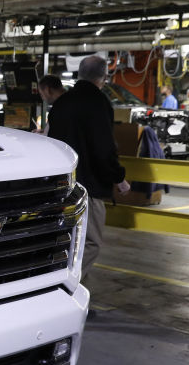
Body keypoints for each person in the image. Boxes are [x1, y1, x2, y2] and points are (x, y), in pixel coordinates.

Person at [47, 55, 130, 306]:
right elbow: (104, 148)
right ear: (103, 78)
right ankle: (62, 297)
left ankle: (78, 297)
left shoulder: (62, 103)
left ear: (79, 74)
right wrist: (119, 177)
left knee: (66, 243)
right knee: (90, 243)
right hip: (88, 189)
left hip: (61, 187)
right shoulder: (99, 103)